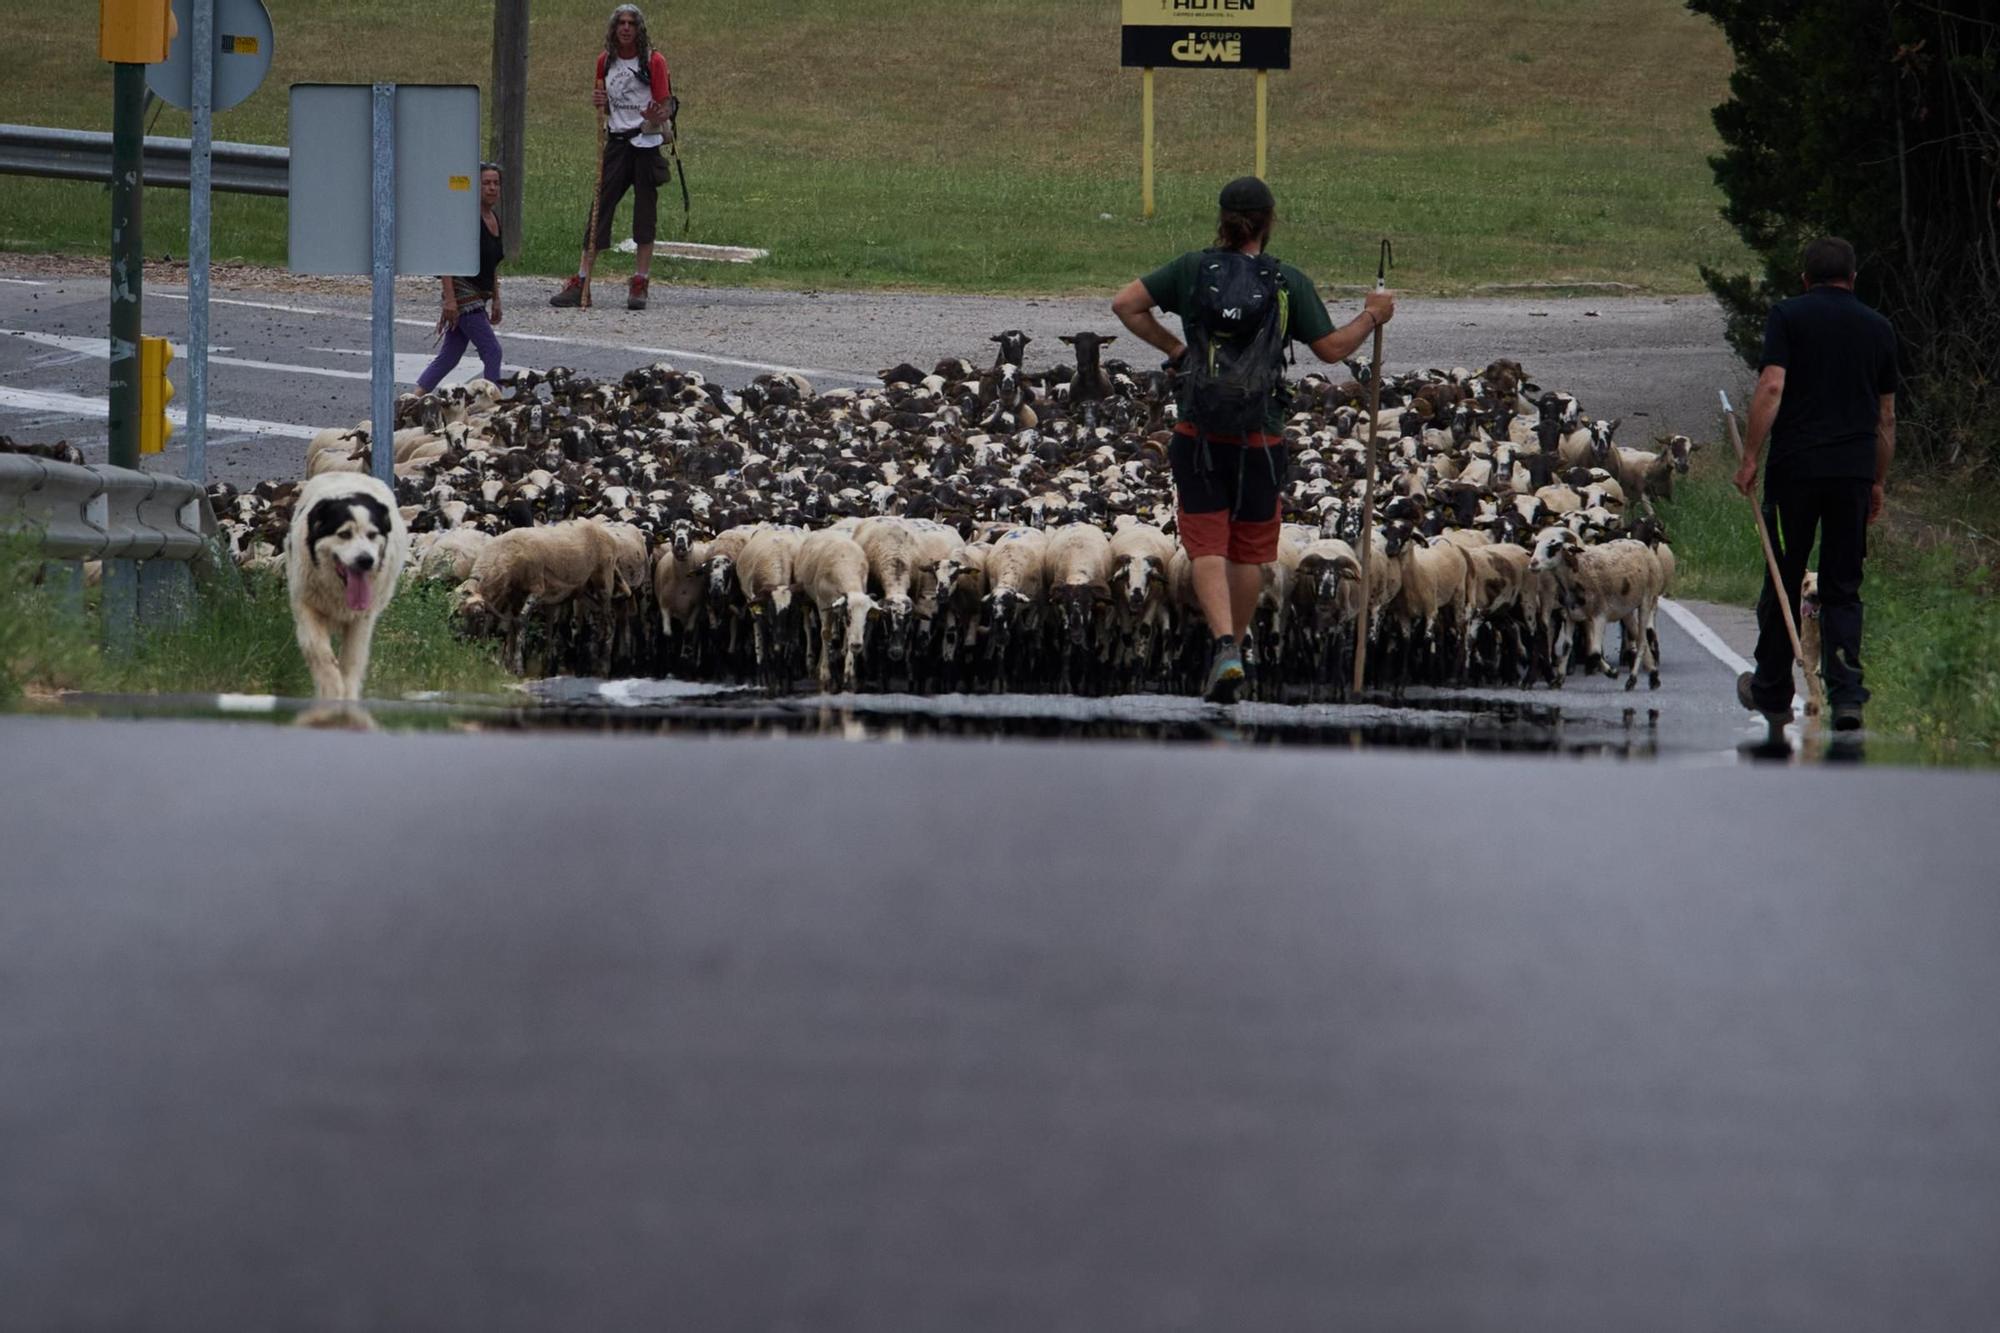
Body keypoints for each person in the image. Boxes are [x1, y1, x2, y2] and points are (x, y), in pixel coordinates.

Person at [1111, 175, 1396, 704]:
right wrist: (1372, 315)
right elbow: (1332, 351)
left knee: (1205, 544)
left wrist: (1178, 353)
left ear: (1221, 219)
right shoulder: (1286, 281)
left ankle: (1223, 645)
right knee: (1248, 549)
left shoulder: (1191, 270)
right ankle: (1234, 649)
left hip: (1198, 432)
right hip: (1260, 438)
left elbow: (1125, 304)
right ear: (1269, 222)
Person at [1732, 236, 1897, 733]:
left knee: (1782, 576)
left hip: (1795, 472)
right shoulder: (1879, 327)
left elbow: (1773, 385)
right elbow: (1886, 419)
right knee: (1843, 585)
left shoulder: (1788, 315)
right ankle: (1847, 695)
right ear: (1852, 278)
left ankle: (1772, 690)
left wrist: (1750, 456)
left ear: (1805, 278)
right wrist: (1877, 480)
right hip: (1851, 473)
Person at [549, 3, 674, 312]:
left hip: (645, 143)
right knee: (599, 209)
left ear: (639, 28)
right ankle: (581, 281)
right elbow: (607, 107)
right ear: (614, 28)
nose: (626, 28)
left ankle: (640, 281)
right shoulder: (605, 62)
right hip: (617, 143)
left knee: (645, 214)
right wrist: (599, 102)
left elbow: (665, 104)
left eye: (632, 23)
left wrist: (657, 113)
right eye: (621, 23)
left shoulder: (653, 61)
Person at [415, 162, 506, 394]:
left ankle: (409, 403)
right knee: (492, 351)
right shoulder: (467, 219)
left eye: (496, 183)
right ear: (476, 187)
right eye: (486, 183)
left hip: (481, 294)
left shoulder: (493, 218)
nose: (492, 188)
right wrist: (450, 300)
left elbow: (492, 264)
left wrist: (496, 299)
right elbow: (447, 258)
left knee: (449, 356)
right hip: (464, 295)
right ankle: (492, 405)